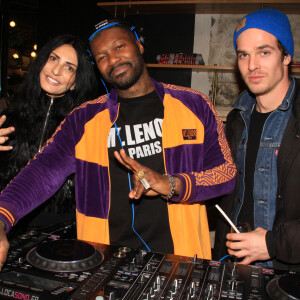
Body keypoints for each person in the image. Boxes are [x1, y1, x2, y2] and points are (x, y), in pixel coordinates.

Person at [0, 19, 236, 268]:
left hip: (180, 262)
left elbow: (226, 175)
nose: (112, 60)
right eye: (101, 57)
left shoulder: (195, 105)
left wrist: (172, 183)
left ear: (139, 46)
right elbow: (42, 172)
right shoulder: (83, 119)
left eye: (119, 46)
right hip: (102, 262)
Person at [213, 8, 300, 272]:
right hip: (233, 268)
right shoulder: (237, 119)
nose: (252, 65)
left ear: (286, 56)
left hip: (287, 277)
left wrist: (274, 244)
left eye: (264, 52)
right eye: (244, 55)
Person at [0, 35, 99, 236]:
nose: (56, 70)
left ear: (75, 82)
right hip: (8, 225)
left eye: (69, 67)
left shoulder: (85, 122)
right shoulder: (7, 112)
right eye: (53, 58)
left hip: (61, 230)